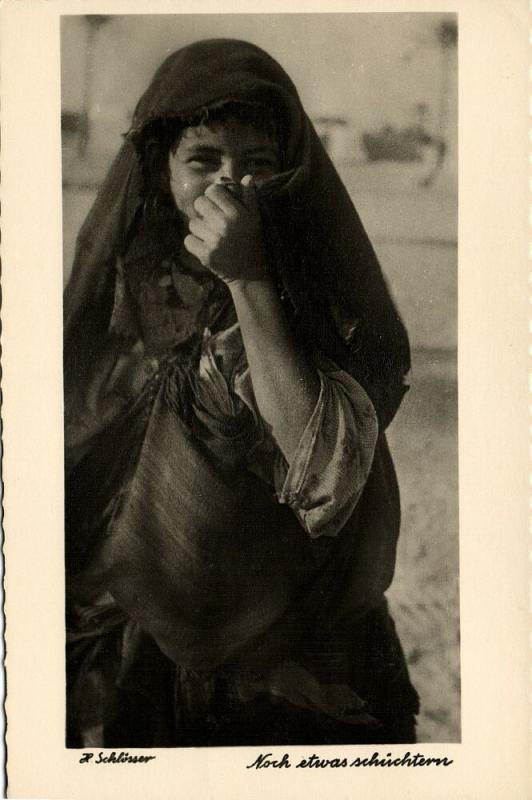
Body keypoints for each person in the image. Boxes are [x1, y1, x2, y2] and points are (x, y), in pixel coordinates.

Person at [64, 38, 419, 748]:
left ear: (290, 172)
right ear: (162, 172)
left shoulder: (317, 299)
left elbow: (327, 474)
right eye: (204, 162)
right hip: (133, 660)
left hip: (293, 670)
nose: (232, 187)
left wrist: (249, 280)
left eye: (258, 164)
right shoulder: (124, 297)